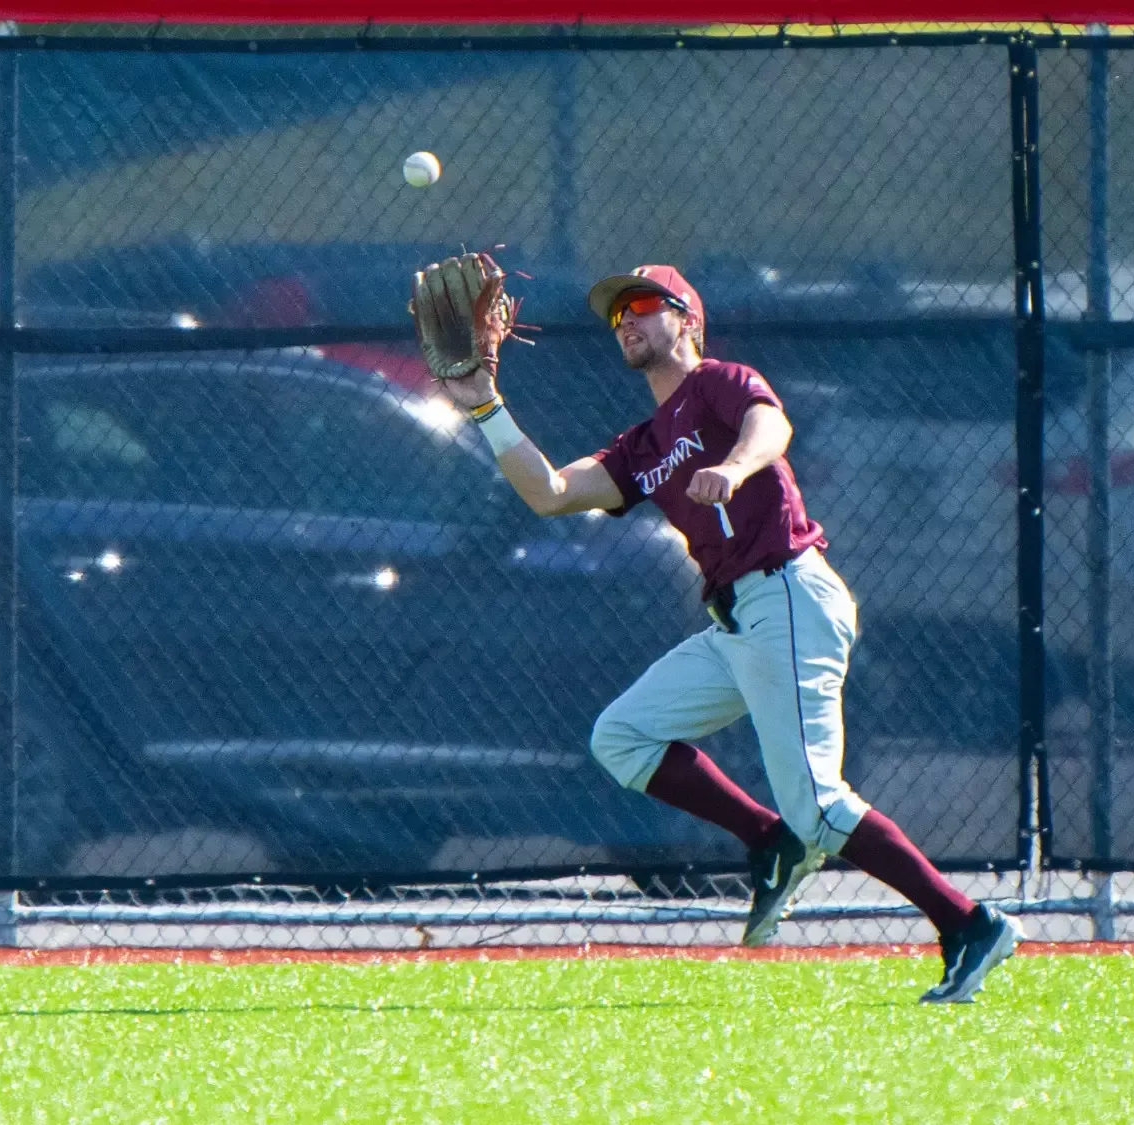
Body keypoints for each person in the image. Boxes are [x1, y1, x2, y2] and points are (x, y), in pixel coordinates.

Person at [431, 263, 1024, 1003]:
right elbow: (551, 493)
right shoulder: (644, 445)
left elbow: (771, 423)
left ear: (689, 320)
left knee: (819, 801)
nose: (627, 321)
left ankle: (968, 922)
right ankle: (771, 840)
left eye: (643, 305)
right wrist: (486, 407)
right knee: (621, 737)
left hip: (788, 595)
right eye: (617, 315)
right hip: (740, 623)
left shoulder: (717, 381)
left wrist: (736, 467)